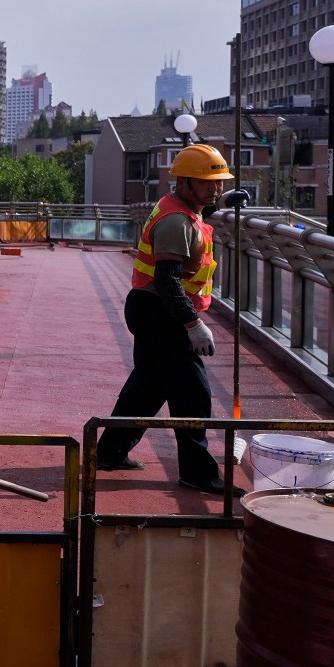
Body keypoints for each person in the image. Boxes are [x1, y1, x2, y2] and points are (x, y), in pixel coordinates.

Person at [95, 143, 241, 491]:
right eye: (207, 183)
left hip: (149, 307)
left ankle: (109, 453)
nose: (215, 188)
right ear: (185, 183)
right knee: (192, 393)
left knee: (147, 387)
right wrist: (193, 325)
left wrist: (221, 203)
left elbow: (195, 221)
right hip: (160, 311)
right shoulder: (177, 221)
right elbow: (167, 279)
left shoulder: (181, 206)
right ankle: (197, 473)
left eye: (219, 183)